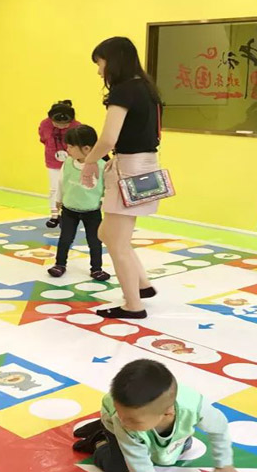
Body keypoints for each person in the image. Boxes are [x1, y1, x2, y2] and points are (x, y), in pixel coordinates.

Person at [83, 37, 160, 319]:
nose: (99, 71)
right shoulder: (146, 88)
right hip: (147, 165)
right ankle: (142, 285)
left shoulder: (124, 91)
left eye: (100, 63)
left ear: (113, 61)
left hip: (129, 168)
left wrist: (89, 162)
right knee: (108, 233)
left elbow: (108, 139)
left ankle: (133, 305)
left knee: (116, 242)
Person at [71, 359, 236, 472]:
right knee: (119, 468)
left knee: (176, 451)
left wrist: (224, 464)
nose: (123, 422)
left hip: (147, 420)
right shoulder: (122, 422)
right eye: (121, 414)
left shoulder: (195, 408)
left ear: (168, 412)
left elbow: (219, 429)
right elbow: (138, 463)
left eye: (132, 419)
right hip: (113, 420)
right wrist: (122, 420)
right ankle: (100, 442)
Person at [47, 125, 111, 282]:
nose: (67, 149)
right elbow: (60, 183)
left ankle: (96, 268)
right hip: (69, 210)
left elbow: (107, 189)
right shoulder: (68, 163)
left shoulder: (102, 166)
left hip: (92, 211)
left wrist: (105, 204)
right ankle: (59, 264)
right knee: (65, 239)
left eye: (70, 146)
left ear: (87, 148)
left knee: (94, 241)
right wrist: (58, 201)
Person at [39, 100, 81, 228]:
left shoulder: (77, 126)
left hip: (72, 162)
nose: (61, 126)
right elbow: (43, 138)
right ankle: (54, 215)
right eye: (57, 123)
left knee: (70, 188)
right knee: (54, 188)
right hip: (53, 161)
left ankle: (67, 215)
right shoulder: (45, 124)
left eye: (65, 124)